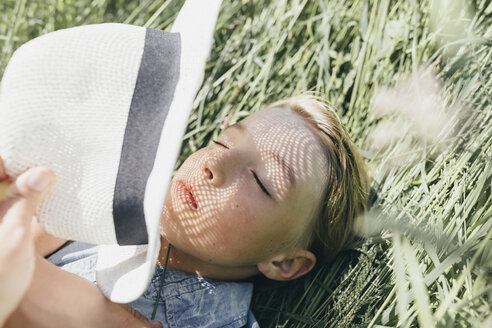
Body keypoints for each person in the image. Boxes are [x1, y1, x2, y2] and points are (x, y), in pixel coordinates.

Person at [4, 94, 368, 327]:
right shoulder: (88, 204)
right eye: (224, 141)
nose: (213, 162)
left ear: (283, 262)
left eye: (260, 180)